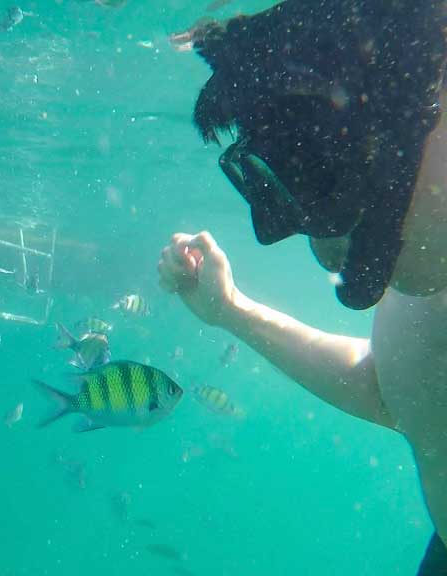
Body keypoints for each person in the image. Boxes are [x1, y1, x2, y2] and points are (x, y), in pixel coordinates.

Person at [158, 0, 447, 573]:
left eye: (324, 174)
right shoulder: (425, 299)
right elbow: (402, 394)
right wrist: (234, 313)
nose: (325, 250)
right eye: (293, 184)